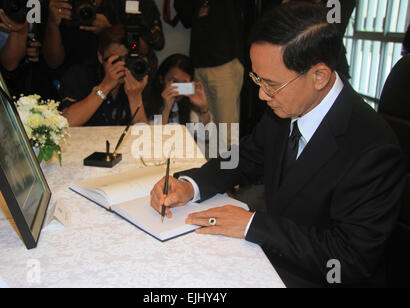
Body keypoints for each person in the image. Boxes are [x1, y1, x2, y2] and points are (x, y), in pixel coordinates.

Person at [150, 2, 407, 287]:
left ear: (319, 76)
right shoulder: (288, 104)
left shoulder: (373, 148)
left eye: (270, 83)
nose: (261, 95)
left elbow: (348, 258)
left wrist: (251, 224)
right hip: (275, 257)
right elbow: (243, 158)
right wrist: (190, 184)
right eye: (257, 78)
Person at [174, 0, 246, 145]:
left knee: (225, 135)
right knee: (201, 131)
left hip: (225, 60)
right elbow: (186, 18)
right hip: (198, 63)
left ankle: (227, 168)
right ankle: (207, 167)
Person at [58, 25, 148, 127]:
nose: (122, 66)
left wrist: (135, 97)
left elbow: (143, 136)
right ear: (100, 57)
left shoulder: (137, 79)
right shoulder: (80, 75)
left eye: (127, 60)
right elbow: (66, 123)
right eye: (115, 60)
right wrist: (105, 86)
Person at [144, 54, 211, 126]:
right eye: (175, 82)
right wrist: (166, 109)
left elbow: (206, 136)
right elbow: (154, 135)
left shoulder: (189, 104)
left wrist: (203, 109)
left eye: (184, 83)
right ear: (161, 79)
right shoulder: (148, 103)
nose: (178, 88)